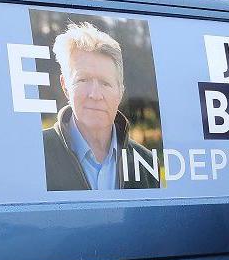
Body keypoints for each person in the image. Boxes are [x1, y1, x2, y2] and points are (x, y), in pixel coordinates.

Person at [42, 22, 159, 191]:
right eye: (83, 80)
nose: (95, 95)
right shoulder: (37, 155)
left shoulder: (147, 163)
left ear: (120, 91)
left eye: (105, 83)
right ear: (65, 85)